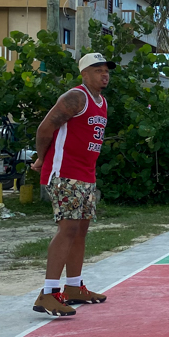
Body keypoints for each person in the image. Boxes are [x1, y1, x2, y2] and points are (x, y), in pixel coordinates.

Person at [30, 52, 116, 317]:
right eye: (98, 70)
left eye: (106, 70)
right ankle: (49, 293)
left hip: (85, 174)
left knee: (80, 230)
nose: (104, 75)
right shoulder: (76, 97)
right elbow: (45, 129)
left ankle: (74, 287)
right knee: (68, 229)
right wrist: (42, 158)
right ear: (84, 74)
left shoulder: (101, 102)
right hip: (65, 172)